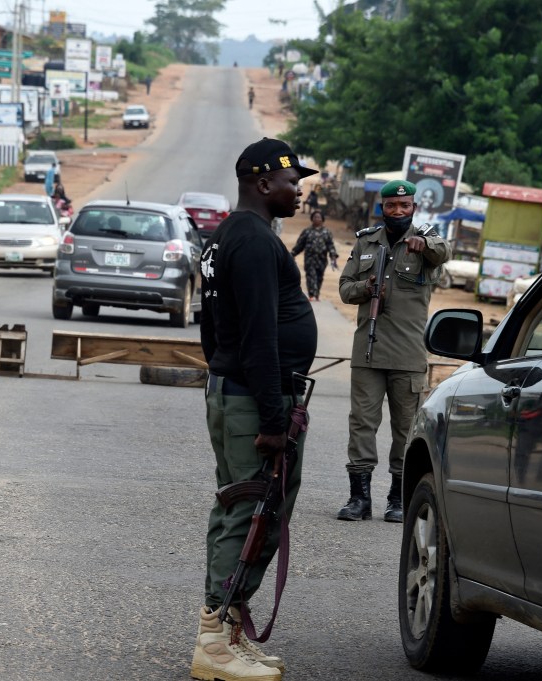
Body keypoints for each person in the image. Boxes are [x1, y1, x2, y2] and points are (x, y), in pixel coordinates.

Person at [191, 137, 318, 681]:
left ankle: (230, 632)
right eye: (294, 183)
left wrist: (224, 372)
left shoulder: (228, 237)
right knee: (249, 510)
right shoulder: (254, 241)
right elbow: (259, 336)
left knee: (244, 507)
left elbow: (212, 327)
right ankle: (213, 641)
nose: (299, 193)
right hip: (254, 399)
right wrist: (271, 418)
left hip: (237, 389)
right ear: (264, 183)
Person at [336, 179, 451, 523]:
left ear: (414, 207)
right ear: (381, 208)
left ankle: (397, 499)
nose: (398, 211)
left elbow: (443, 252)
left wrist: (424, 244)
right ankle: (359, 499)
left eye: (405, 206)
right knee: (362, 424)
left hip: (408, 354)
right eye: (391, 206)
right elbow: (344, 288)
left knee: (406, 429)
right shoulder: (366, 242)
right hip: (368, 351)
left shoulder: (427, 240)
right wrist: (366, 287)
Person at [290, 209, 338, 302]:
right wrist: (292, 254)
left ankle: (317, 294)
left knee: (319, 276)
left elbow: (330, 245)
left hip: (322, 259)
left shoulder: (327, 232)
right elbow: (300, 245)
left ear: (322, 219)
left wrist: (333, 256)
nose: (316, 219)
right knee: (310, 275)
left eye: (318, 217)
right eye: (315, 217)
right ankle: (312, 295)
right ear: (312, 219)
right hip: (309, 259)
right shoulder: (307, 231)